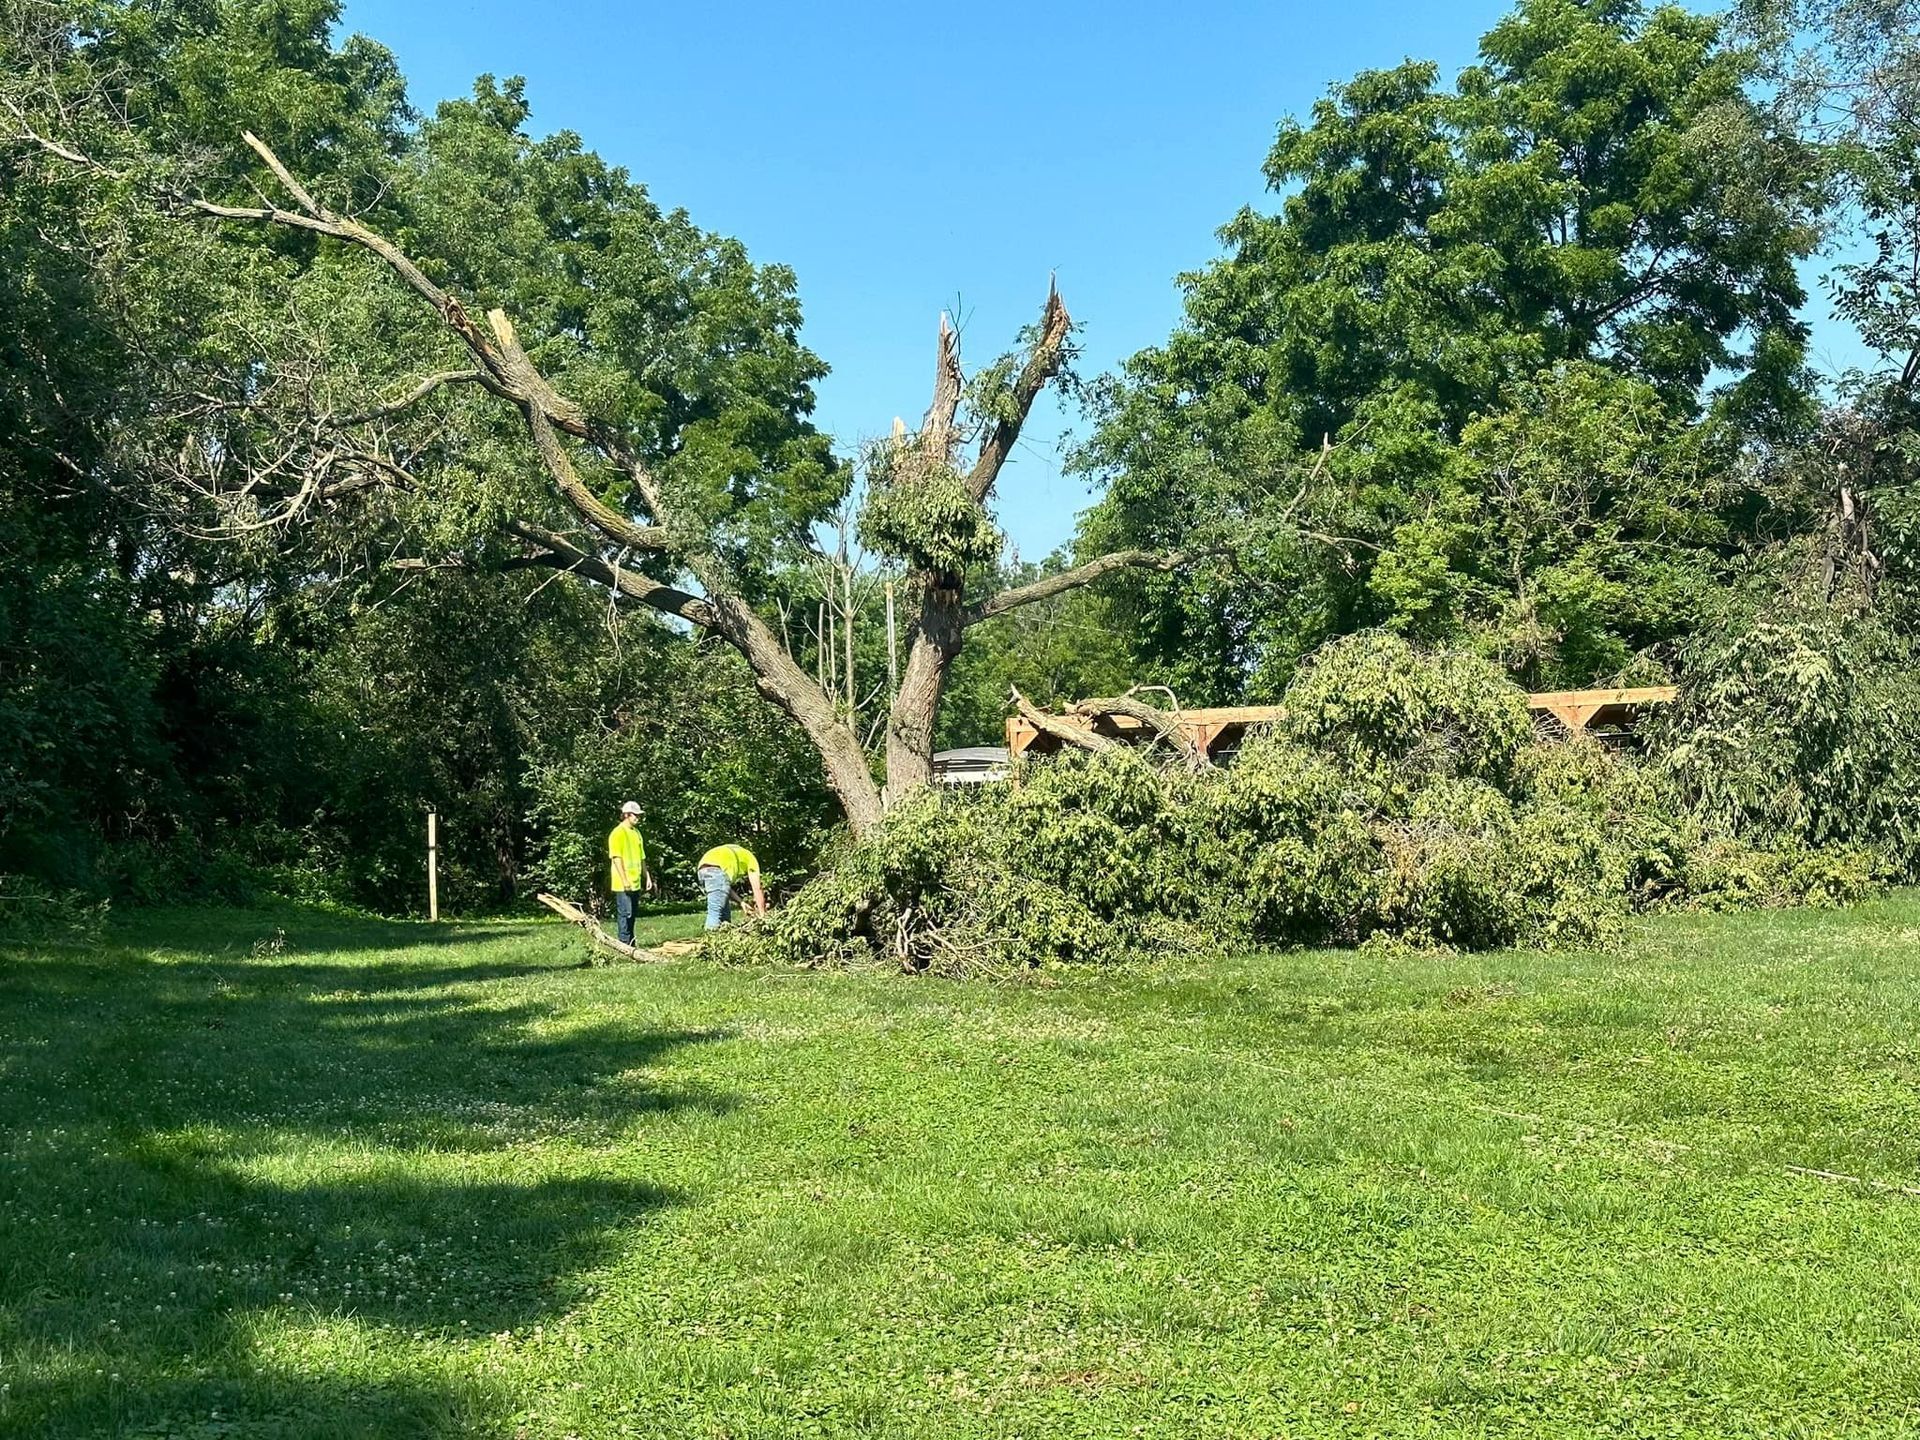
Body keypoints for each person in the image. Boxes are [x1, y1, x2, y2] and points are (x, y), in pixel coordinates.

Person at [607, 801, 654, 945]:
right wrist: (624, 880)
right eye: (635, 815)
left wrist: (647, 877)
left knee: (632, 915)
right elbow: (616, 858)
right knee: (625, 914)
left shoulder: (637, 833)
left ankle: (631, 942)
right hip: (623, 883)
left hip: (635, 881)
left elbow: (642, 857)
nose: (638, 818)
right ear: (626, 815)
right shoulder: (617, 833)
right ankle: (624, 944)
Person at [696, 842, 765, 929]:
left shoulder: (737, 853)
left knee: (724, 914)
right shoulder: (751, 859)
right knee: (715, 910)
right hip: (716, 870)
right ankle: (711, 934)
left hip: (702, 870)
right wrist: (762, 915)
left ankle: (724, 935)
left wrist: (741, 902)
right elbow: (757, 888)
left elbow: (724, 888)